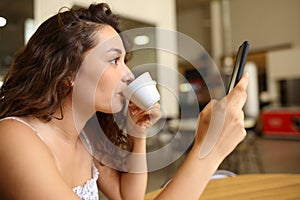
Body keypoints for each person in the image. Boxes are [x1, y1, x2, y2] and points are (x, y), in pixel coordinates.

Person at [0, 3, 249, 200]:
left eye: (124, 61)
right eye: (113, 60)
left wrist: (137, 133)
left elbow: (128, 196)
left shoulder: (85, 136)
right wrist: (210, 151)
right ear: (68, 73)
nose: (129, 74)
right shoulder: (13, 140)